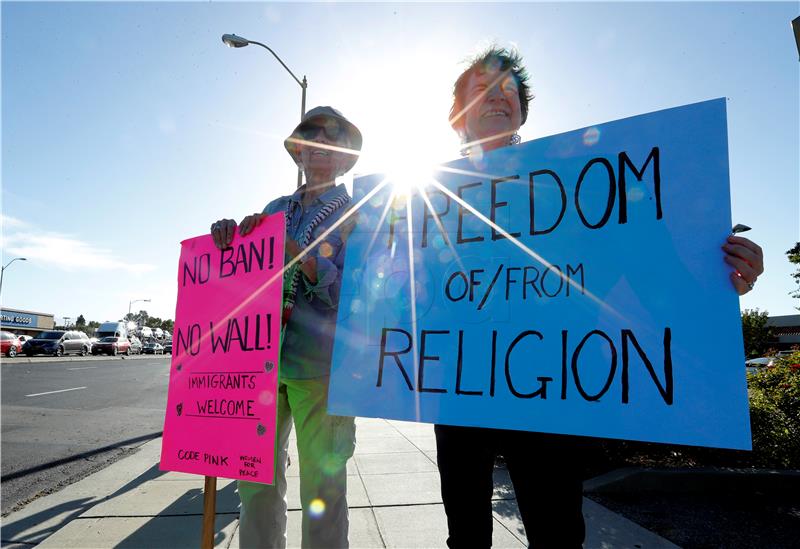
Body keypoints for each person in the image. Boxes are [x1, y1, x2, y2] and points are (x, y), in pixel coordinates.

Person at [435, 47, 765, 548]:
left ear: (522, 108)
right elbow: (395, 291)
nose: (498, 96)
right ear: (458, 112)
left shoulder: (574, 181)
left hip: (547, 383)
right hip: (457, 384)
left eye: (509, 89)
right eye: (481, 88)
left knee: (557, 533)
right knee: (466, 536)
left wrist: (718, 280)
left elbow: (647, 270)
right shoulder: (425, 201)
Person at [210, 106, 362, 549]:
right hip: (260, 365)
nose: (320, 152)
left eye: (331, 145)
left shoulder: (355, 213)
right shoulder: (274, 209)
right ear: (299, 153)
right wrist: (229, 237)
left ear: (343, 157)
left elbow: (351, 294)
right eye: (311, 143)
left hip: (321, 366)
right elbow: (245, 275)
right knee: (253, 480)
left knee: (322, 486)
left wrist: (303, 256)